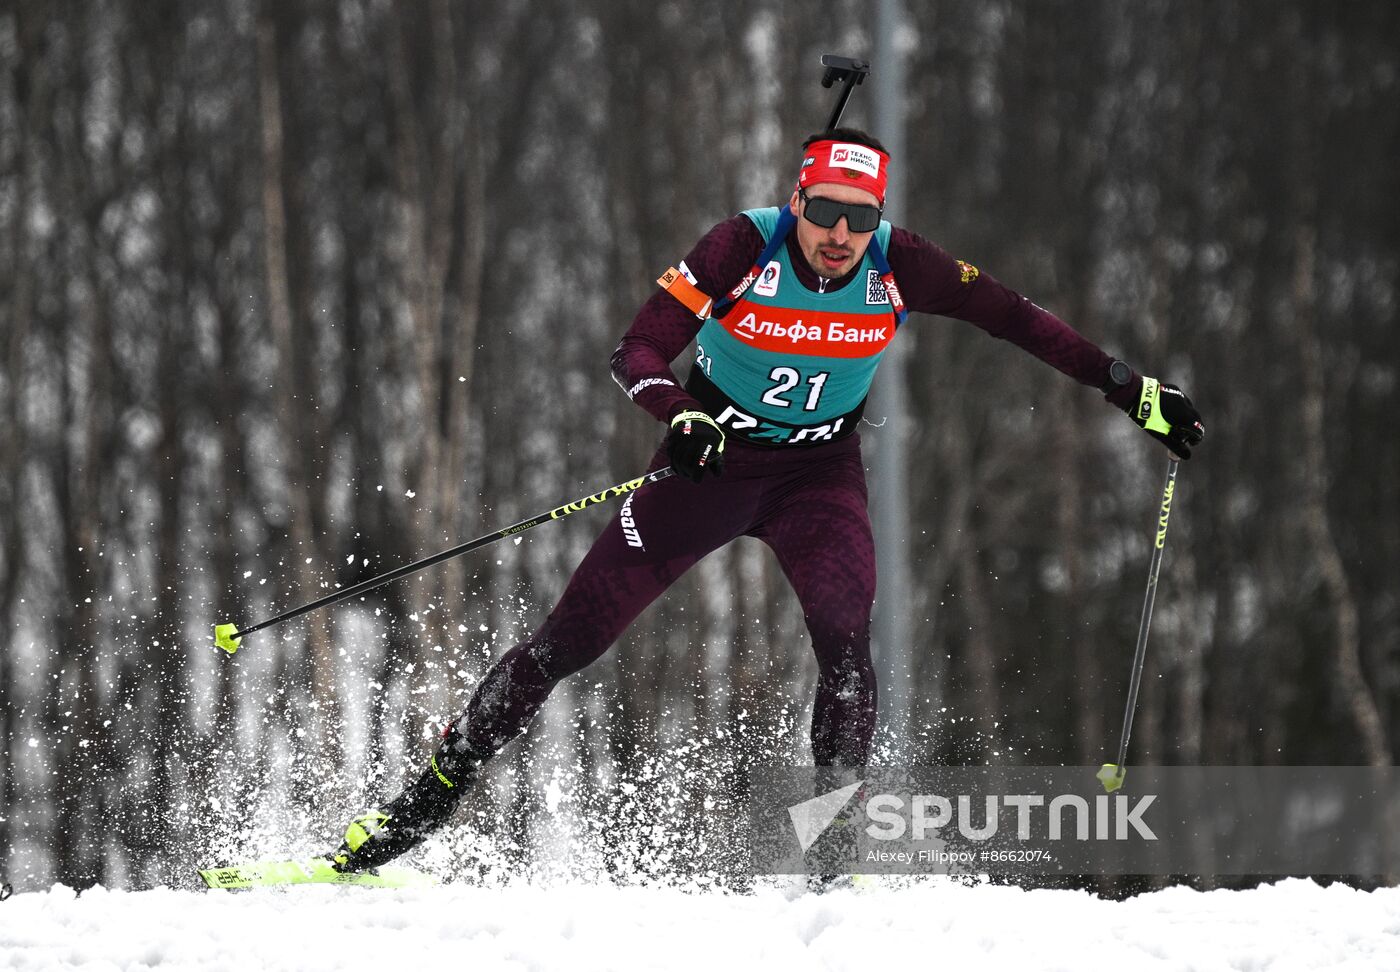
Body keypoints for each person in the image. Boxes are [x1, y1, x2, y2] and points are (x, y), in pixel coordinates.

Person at [328, 128, 1205, 872]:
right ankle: (422, 802)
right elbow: (635, 350)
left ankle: (832, 857)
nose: (839, 233)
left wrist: (1128, 387)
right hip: (709, 469)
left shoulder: (902, 265)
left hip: (817, 479)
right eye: (824, 212)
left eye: (860, 219)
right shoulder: (741, 247)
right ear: (798, 202)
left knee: (846, 648)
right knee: (568, 644)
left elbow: (1018, 318)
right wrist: (680, 417)